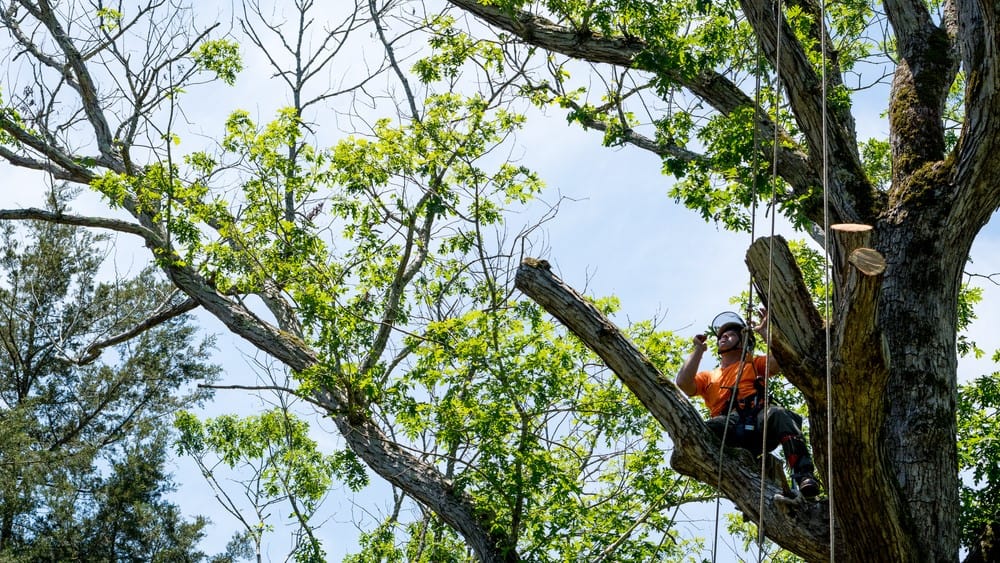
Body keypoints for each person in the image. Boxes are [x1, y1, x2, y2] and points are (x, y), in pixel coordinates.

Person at [676, 309, 820, 499]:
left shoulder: (753, 363)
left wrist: (764, 332)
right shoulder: (709, 376)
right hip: (727, 425)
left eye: (730, 335)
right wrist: (698, 350)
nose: (724, 337)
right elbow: (683, 383)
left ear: (742, 341)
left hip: (758, 421)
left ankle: (804, 476)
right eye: (722, 335)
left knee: (780, 415)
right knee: (704, 428)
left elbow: (779, 362)